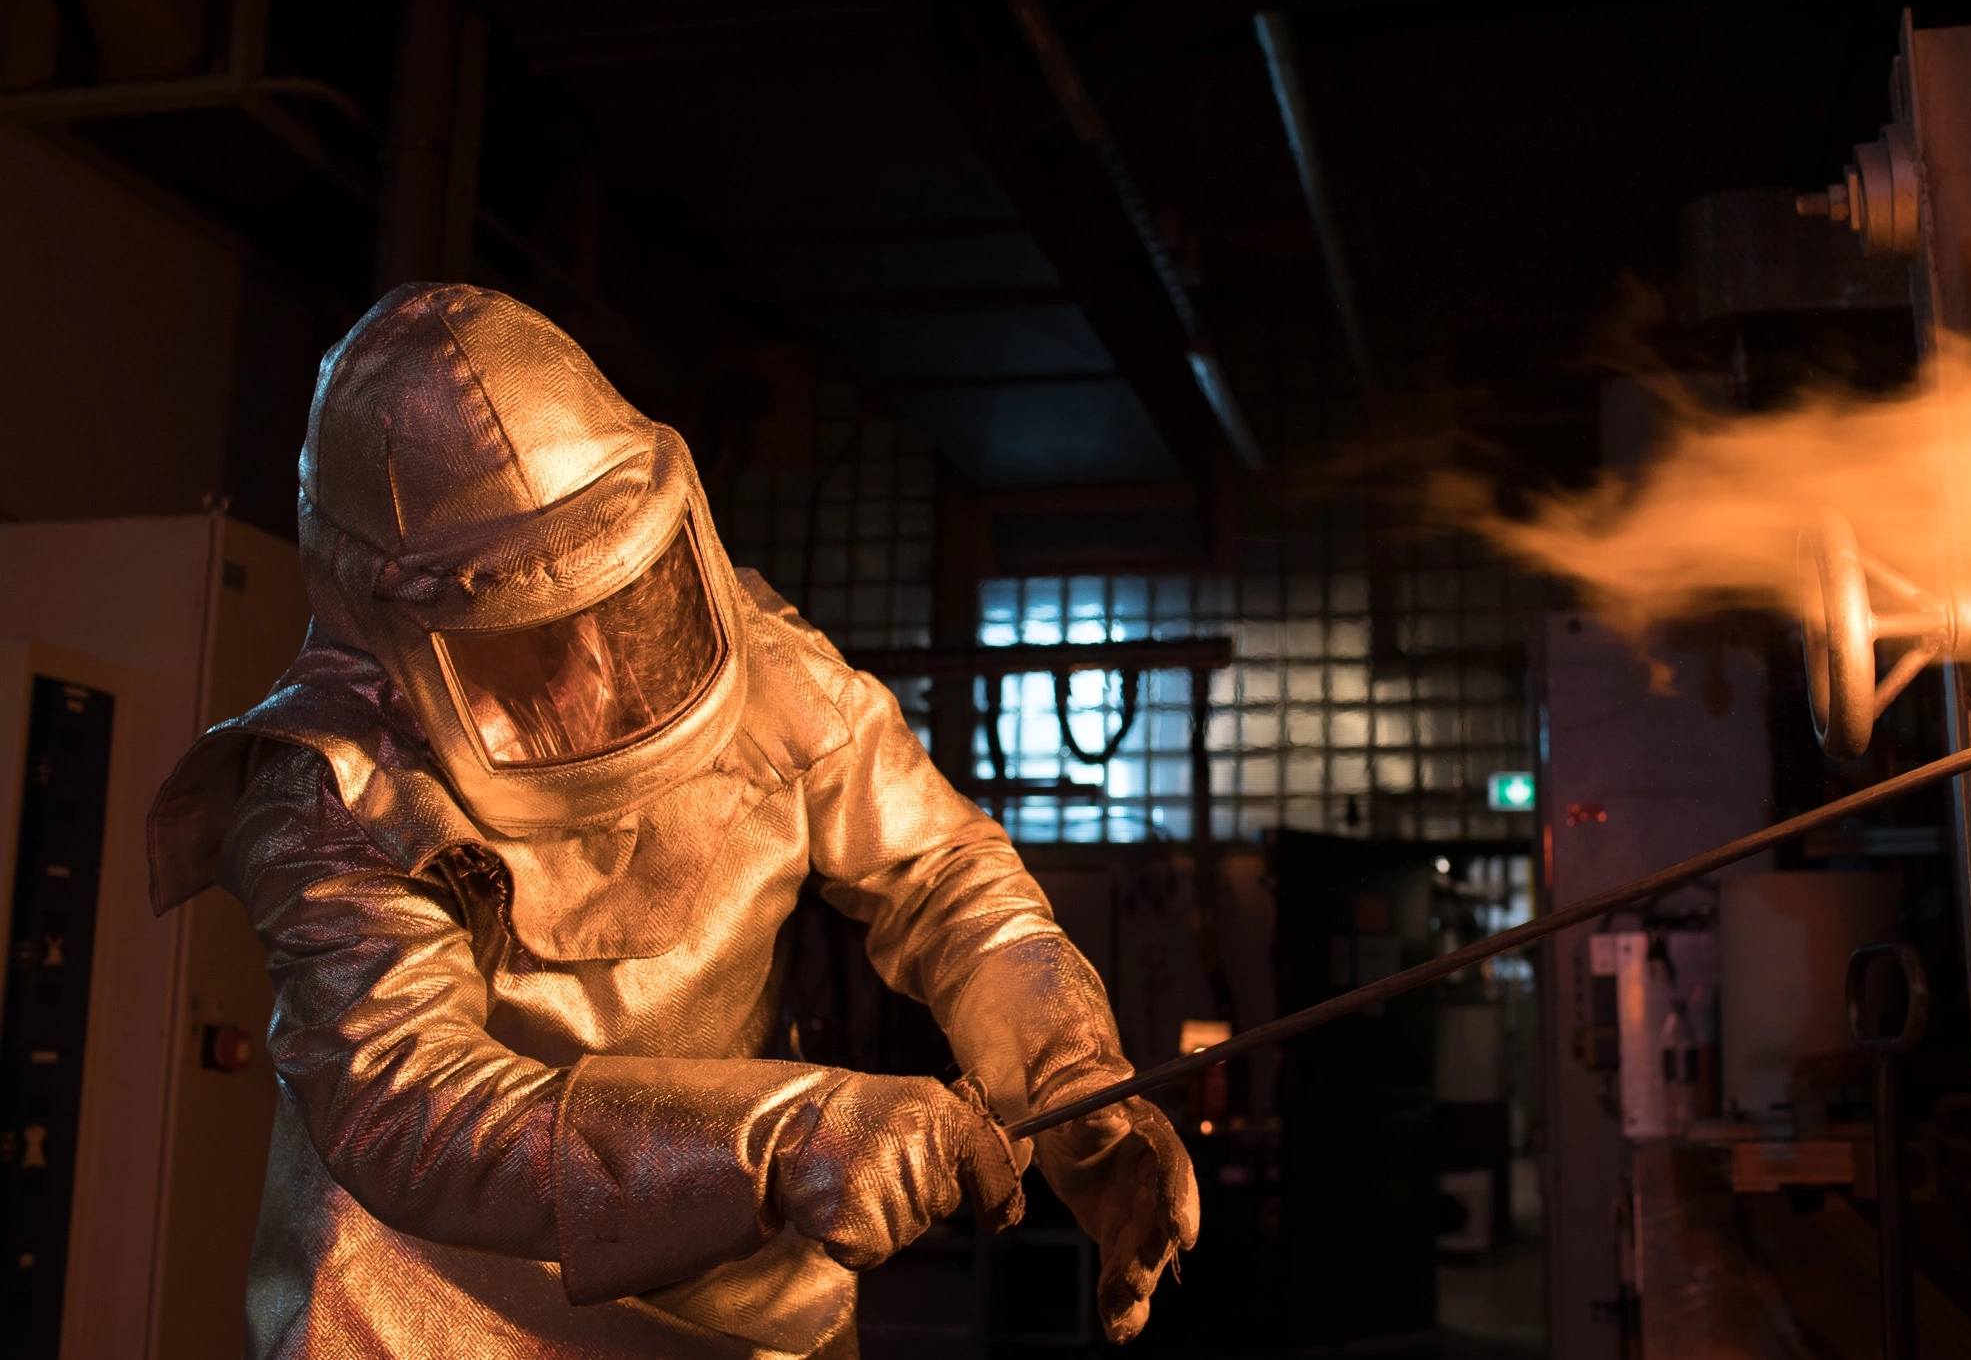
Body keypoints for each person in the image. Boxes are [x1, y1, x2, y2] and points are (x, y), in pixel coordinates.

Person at [148, 282, 1197, 1357]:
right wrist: (785, 1142)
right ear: (399, 637)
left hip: (739, 1282)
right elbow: (410, 1106)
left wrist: (1074, 1090)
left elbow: (942, 876)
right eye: (532, 639)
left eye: (622, 598)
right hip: (429, 1306)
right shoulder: (332, 790)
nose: (601, 669)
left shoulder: (770, 672)